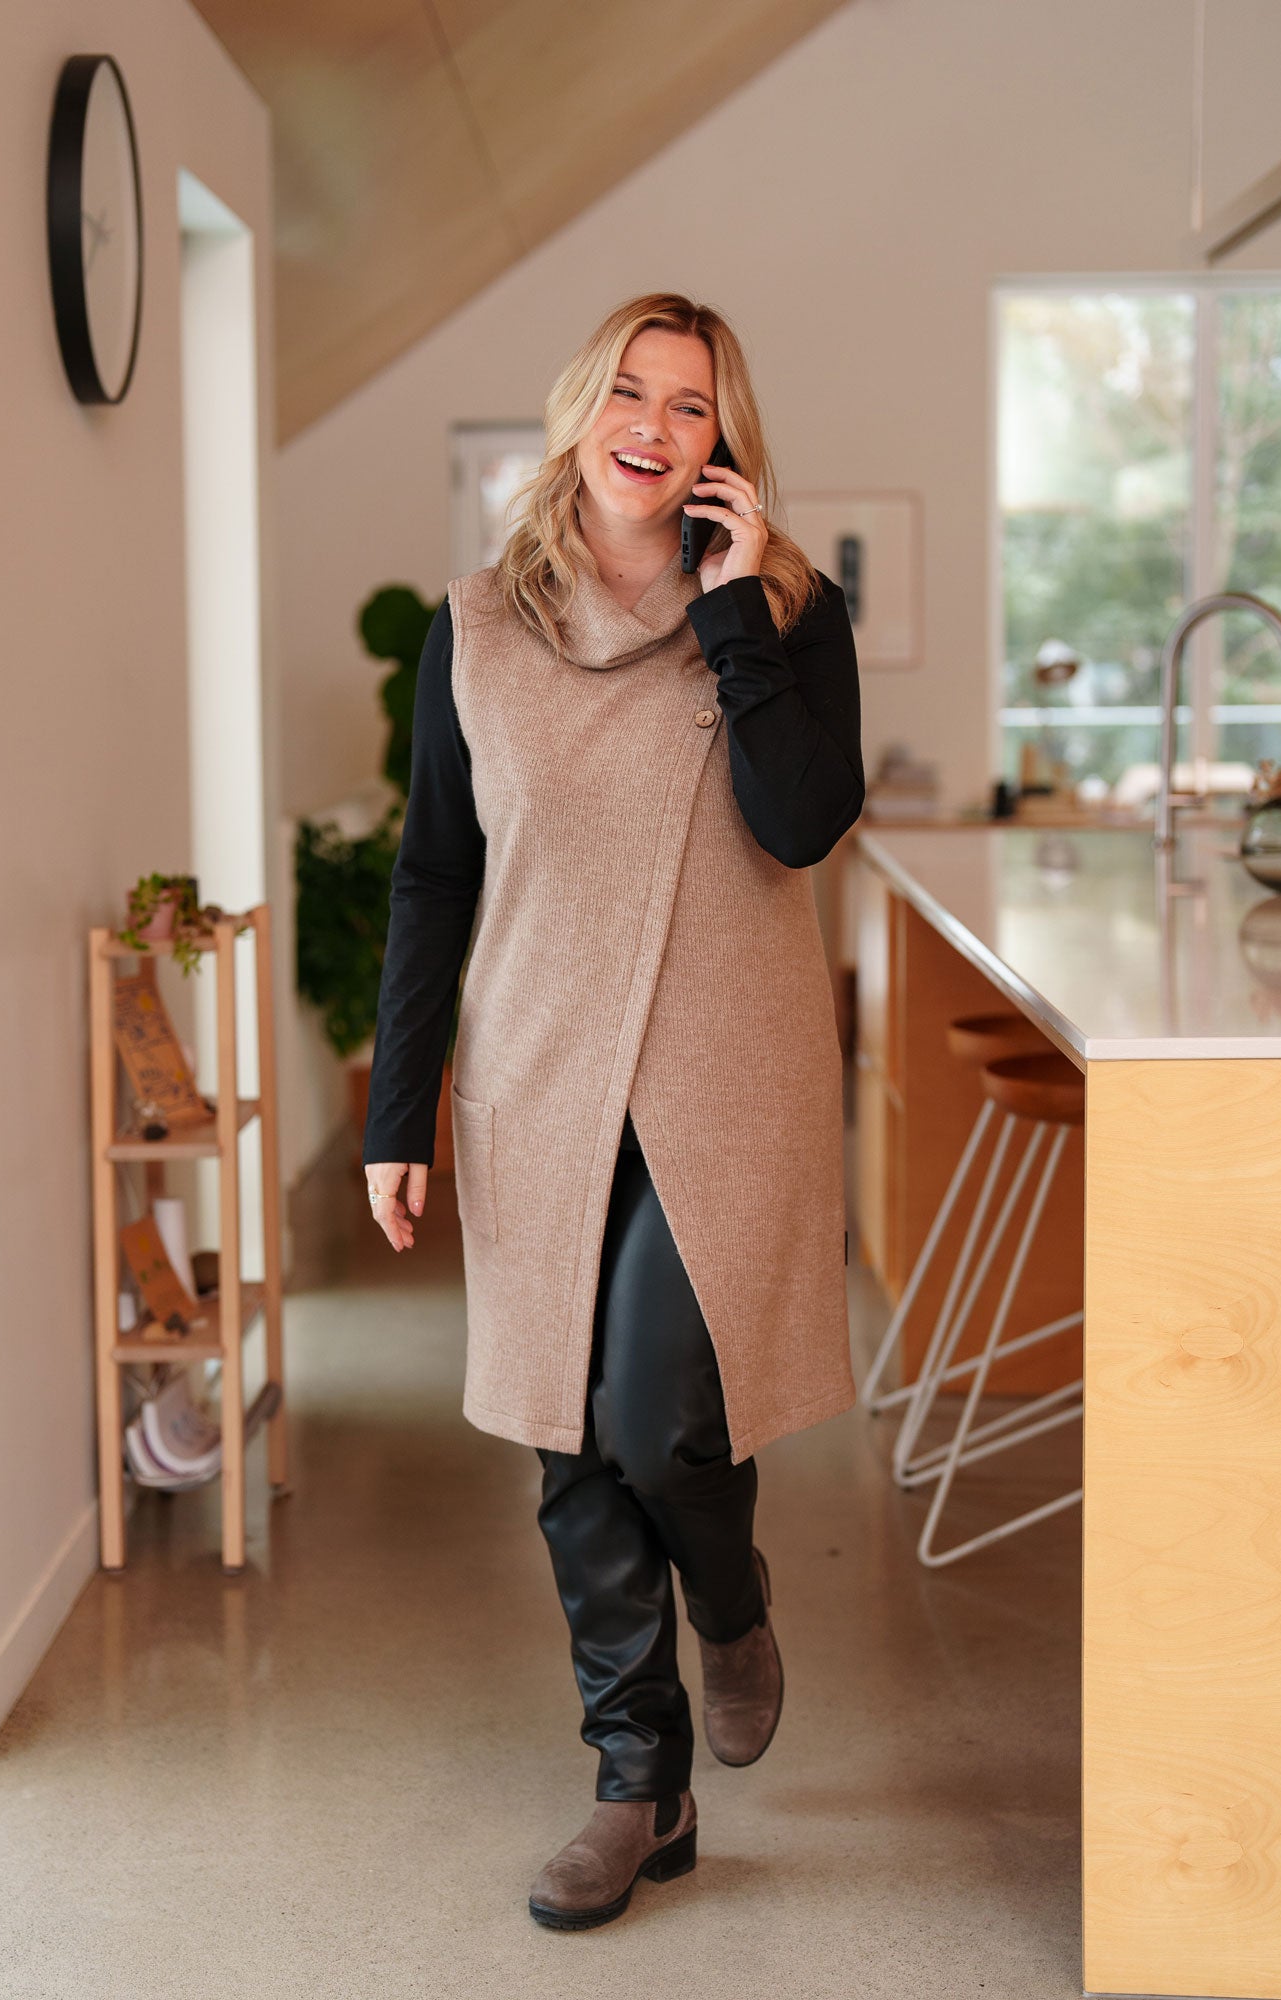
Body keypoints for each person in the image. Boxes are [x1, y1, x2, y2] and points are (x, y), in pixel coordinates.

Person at [362, 292, 864, 1930]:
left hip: (726, 1078)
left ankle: (732, 1598)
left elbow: (798, 831)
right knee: (566, 1439)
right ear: (583, 409)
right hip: (536, 1067)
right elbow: (438, 872)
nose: (656, 424)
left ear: (725, 445)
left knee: (657, 1414)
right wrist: (395, 1110)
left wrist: (730, 618)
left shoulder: (788, 610)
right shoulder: (477, 625)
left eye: (694, 406)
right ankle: (634, 1789)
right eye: (632, 393)